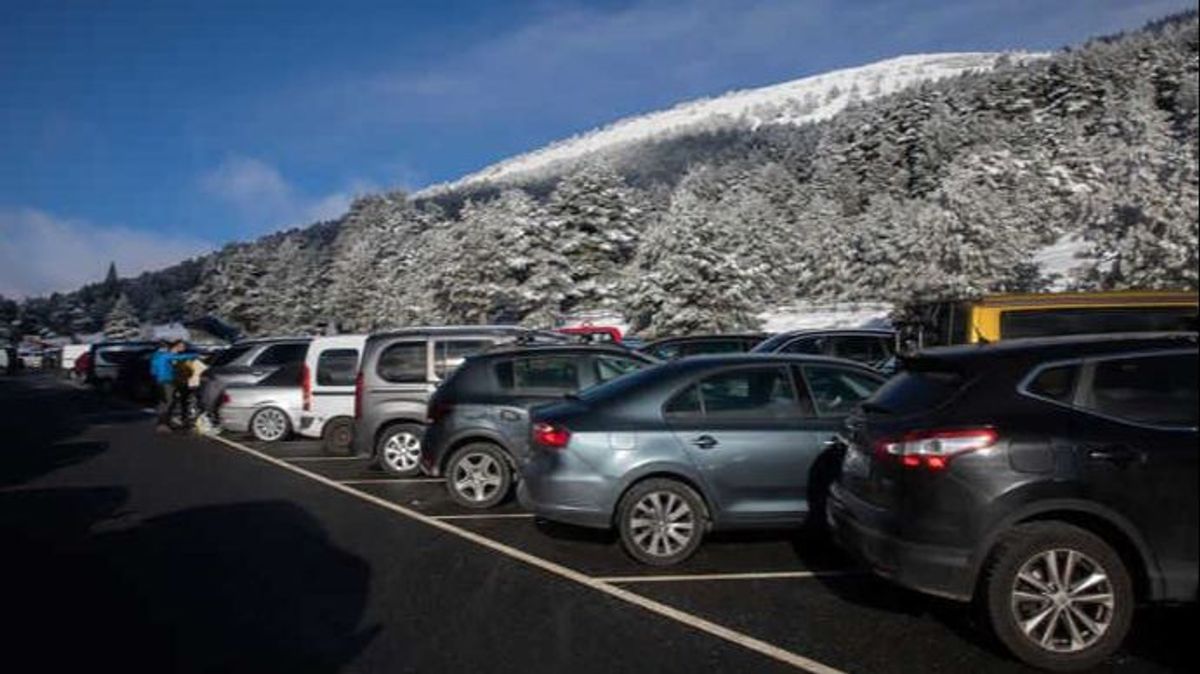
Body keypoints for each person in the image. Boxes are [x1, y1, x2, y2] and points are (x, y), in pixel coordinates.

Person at [151, 340, 192, 432]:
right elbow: (179, 357)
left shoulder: (156, 356)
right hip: (166, 381)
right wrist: (195, 356)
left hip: (161, 380)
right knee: (168, 401)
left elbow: (153, 370)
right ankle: (163, 424)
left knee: (164, 401)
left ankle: (163, 423)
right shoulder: (164, 355)